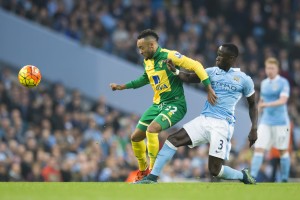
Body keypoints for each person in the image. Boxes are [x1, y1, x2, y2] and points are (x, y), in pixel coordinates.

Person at [135, 43, 258, 184]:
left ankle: (242, 175)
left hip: (222, 124)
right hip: (204, 119)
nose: (217, 58)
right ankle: (152, 177)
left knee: (215, 170)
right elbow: (189, 78)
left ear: (231, 58)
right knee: (172, 140)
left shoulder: (244, 79)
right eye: (217, 54)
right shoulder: (211, 72)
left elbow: (253, 104)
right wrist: (175, 71)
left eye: (220, 55)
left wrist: (254, 128)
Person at [110, 29, 217, 182]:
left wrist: (208, 87)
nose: (139, 52)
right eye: (138, 48)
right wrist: (123, 86)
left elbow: (197, 66)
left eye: (142, 48)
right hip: (157, 105)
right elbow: (145, 78)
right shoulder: (147, 61)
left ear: (152, 45)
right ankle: (143, 171)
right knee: (135, 137)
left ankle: (153, 172)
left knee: (152, 130)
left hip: (176, 104)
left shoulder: (170, 55)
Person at [250, 57, 291, 182]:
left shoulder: (283, 82)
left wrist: (266, 105)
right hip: (266, 121)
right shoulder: (264, 83)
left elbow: (283, 100)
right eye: (268, 68)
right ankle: (252, 177)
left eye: (272, 68)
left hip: (281, 122)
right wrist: (256, 117)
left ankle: (284, 179)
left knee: (282, 150)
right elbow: (261, 101)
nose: (270, 70)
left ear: (277, 69)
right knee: (259, 148)